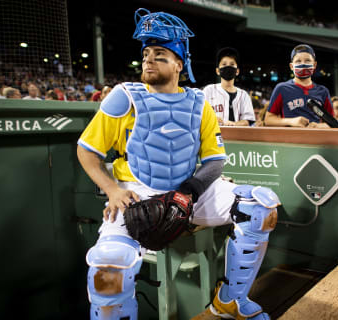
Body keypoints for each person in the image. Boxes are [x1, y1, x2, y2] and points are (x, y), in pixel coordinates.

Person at [77, 8, 279, 320]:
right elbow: (87, 152)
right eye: (146, 53)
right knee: (109, 267)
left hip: (189, 193)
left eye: (159, 54)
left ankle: (230, 300)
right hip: (134, 193)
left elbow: (215, 161)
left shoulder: (199, 103)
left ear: (178, 64)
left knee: (260, 207)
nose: (148, 59)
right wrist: (112, 190)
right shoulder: (123, 97)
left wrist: (189, 192)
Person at [265, 44, 333, 128]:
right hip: (290, 139)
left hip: (316, 139)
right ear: (291, 66)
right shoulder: (282, 88)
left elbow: (332, 123)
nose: (303, 64)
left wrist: (318, 126)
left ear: (314, 65)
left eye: (307, 60)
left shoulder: (323, 91)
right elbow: (268, 119)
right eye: (298, 61)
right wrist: (291, 121)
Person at [202, 47, 255, 126]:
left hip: (236, 137)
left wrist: (234, 124)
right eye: (224, 64)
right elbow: (199, 115)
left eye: (232, 64)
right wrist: (211, 118)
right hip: (212, 136)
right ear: (218, 71)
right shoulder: (208, 90)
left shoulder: (244, 95)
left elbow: (247, 121)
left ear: (237, 71)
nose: (228, 67)